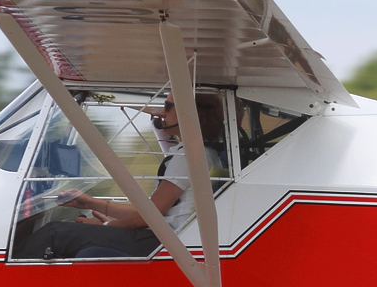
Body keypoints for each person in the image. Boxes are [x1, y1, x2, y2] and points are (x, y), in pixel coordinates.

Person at [14, 94, 224, 260]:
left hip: (158, 242)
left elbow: (149, 216)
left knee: (55, 233)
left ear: (190, 113)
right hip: (163, 238)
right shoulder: (203, 153)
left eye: (168, 107)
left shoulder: (188, 155)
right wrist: (93, 203)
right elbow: (155, 209)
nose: (161, 111)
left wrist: (106, 228)